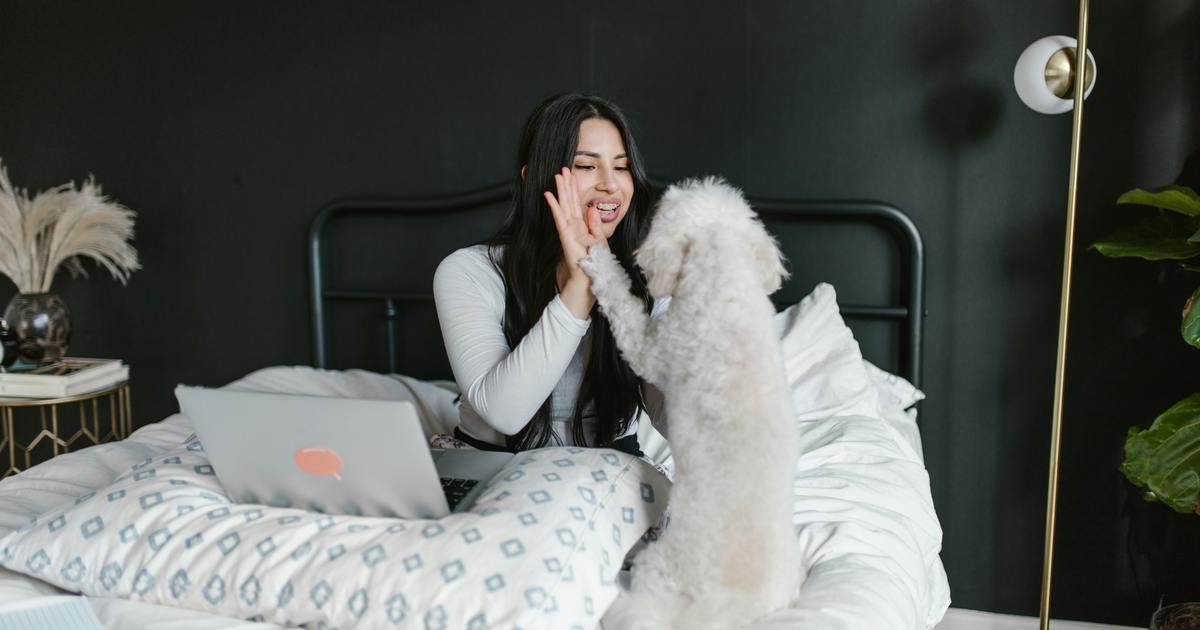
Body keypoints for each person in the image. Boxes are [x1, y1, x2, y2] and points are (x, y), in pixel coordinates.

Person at [432, 93, 668, 455]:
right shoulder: (469, 272)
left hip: (607, 474)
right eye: (587, 166)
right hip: (493, 467)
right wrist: (582, 285)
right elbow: (505, 414)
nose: (611, 184)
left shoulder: (651, 277)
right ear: (534, 179)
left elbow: (678, 422)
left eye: (621, 167)